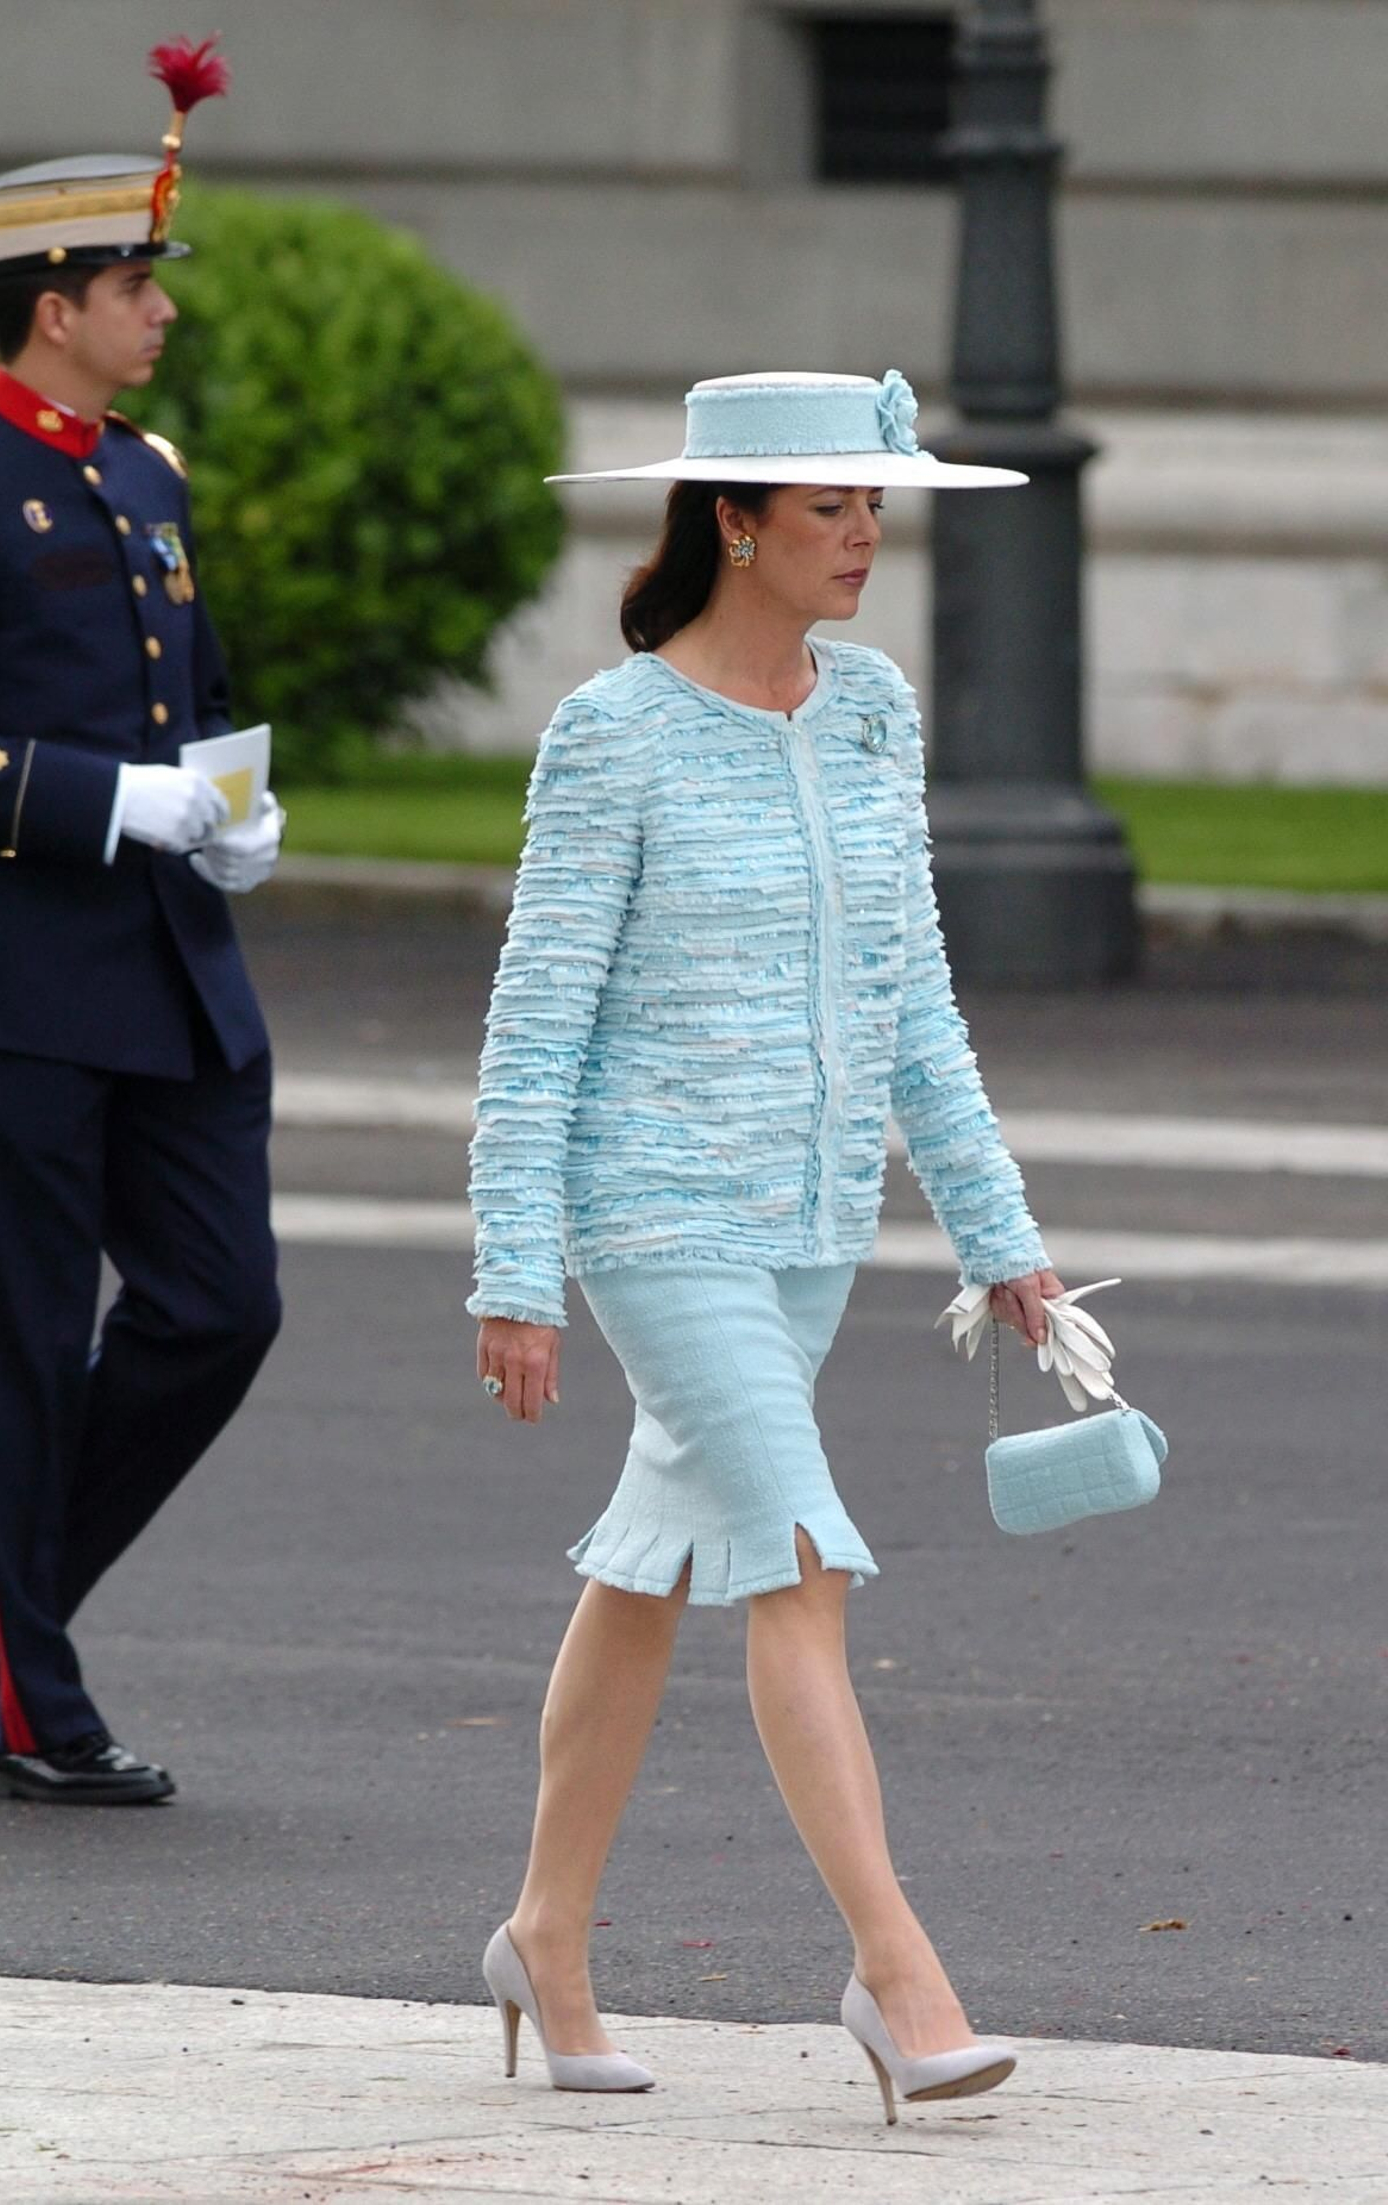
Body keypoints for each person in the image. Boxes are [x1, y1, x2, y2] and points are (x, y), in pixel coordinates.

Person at [466, 369, 1064, 2117]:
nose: (868, 536)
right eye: (830, 509)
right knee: (799, 1559)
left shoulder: (874, 712)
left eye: (877, 506)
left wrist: (999, 1237)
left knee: (649, 1568)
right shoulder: (614, 732)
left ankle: (544, 1937)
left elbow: (916, 1005)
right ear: (734, 520)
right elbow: (536, 1019)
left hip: (812, 1224)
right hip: (653, 1215)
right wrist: (516, 1265)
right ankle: (899, 1972)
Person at [0, 38, 286, 1805]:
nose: (157, 311)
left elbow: (199, 688)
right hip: (20, 983)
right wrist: (113, 802)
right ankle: (35, 1702)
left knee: (219, 1308)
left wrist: (235, 806)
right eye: (130, 284)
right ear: (48, 306)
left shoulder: (146, 475)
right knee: (16, 1351)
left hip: (175, 976)